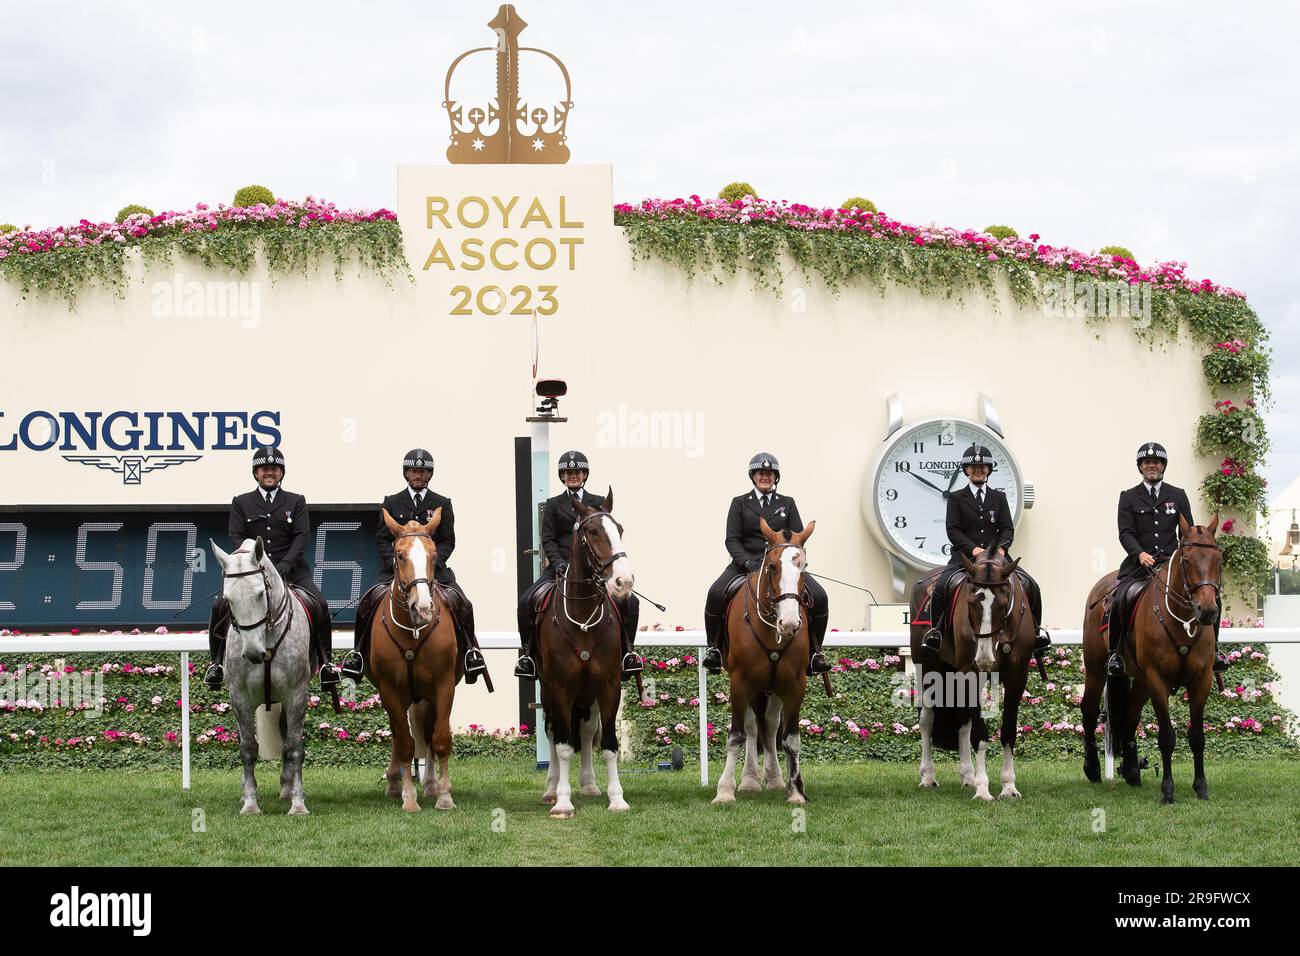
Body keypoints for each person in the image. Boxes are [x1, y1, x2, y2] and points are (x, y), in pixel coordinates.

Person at [339, 449, 486, 684]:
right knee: (367, 602)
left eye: (423, 471)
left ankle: (471, 653)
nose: (418, 474)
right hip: (398, 570)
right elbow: (382, 539)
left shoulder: (442, 503)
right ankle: (357, 654)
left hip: (433, 571)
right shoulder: (391, 502)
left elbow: (448, 540)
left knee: (463, 603)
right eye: (413, 471)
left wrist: (433, 563)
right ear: (406, 473)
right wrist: (395, 564)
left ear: (430, 474)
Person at [204, 446, 340, 691]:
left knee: (319, 603)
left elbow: (302, 536)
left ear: (281, 473)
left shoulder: (295, 501)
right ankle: (216, 664)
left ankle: (326, 663)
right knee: (220, 605)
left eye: (274, 469)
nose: (269, 473)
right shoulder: (241, 502)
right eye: (264, 469)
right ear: (256, 473)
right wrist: (253, 565)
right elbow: (236, 537)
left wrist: (284, 566)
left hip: (292, 571)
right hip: (252, 572)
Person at [514, 450, 642, 680]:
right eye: (568, 472)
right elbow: (548, 540)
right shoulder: (553, 505)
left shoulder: (598, 503)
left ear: (585, 475)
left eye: (577, 472)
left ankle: (627, 652)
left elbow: (606, 537)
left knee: (630, 602)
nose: (573, 476)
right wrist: (560, 564)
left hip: (594, 572)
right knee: (526, 602)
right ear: (562, 477)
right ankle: (528, 656)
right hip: (559, 569)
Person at [701, 452, 830, 676]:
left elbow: (797, 538)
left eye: (769, 474)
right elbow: (732, 539)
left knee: (819, 596)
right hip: (745, 563)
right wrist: (748, 562)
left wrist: (797, 563)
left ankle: (814, 653)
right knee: (714, 593)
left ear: (775, 477)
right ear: (753, 476)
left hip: (782, 566)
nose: (765, 477)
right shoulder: (740, 503)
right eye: (761, 473)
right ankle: (714, 650)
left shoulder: (787, 504)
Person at [1110, 441, 1228, 675]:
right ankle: (1115, 654)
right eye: (1147, 462)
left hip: (1172, 564)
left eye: (1156, 462)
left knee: (1211, 597)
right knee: (1120, 598)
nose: (1151, 466)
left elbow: (1188, 533)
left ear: (1163, 466)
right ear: (1140, 467)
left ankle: (1214, 650)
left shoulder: (1177, 495)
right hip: (1139, 566)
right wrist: (1139, 553)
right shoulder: (1129, 497)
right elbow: (1125, 532)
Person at [921, 445, 1050, 653]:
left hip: (997, 559)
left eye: (982, 467)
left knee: (1032, 585)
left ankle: (1036, 632)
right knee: (942, 587)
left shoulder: (999, 498)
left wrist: (1001, 548)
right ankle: (936, 632)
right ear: (966, 471)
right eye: (973, 467)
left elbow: (1007, 527)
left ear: (989, 470)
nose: (978, 470)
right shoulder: (956, 498)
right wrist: (973, 550)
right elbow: (953, 529)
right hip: (966, 559)